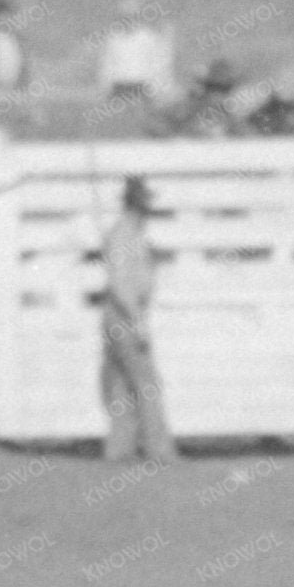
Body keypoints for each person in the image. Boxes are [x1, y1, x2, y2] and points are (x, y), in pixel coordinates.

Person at [98, 175, 173, 460]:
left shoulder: (132, 234)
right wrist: (136, 321)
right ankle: (159, 450)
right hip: (123, 315)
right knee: (147, 383)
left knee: (121, 384)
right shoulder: (123, 235)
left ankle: (119, 450)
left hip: (123, 313)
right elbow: (119, 284)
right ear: (138, 204)